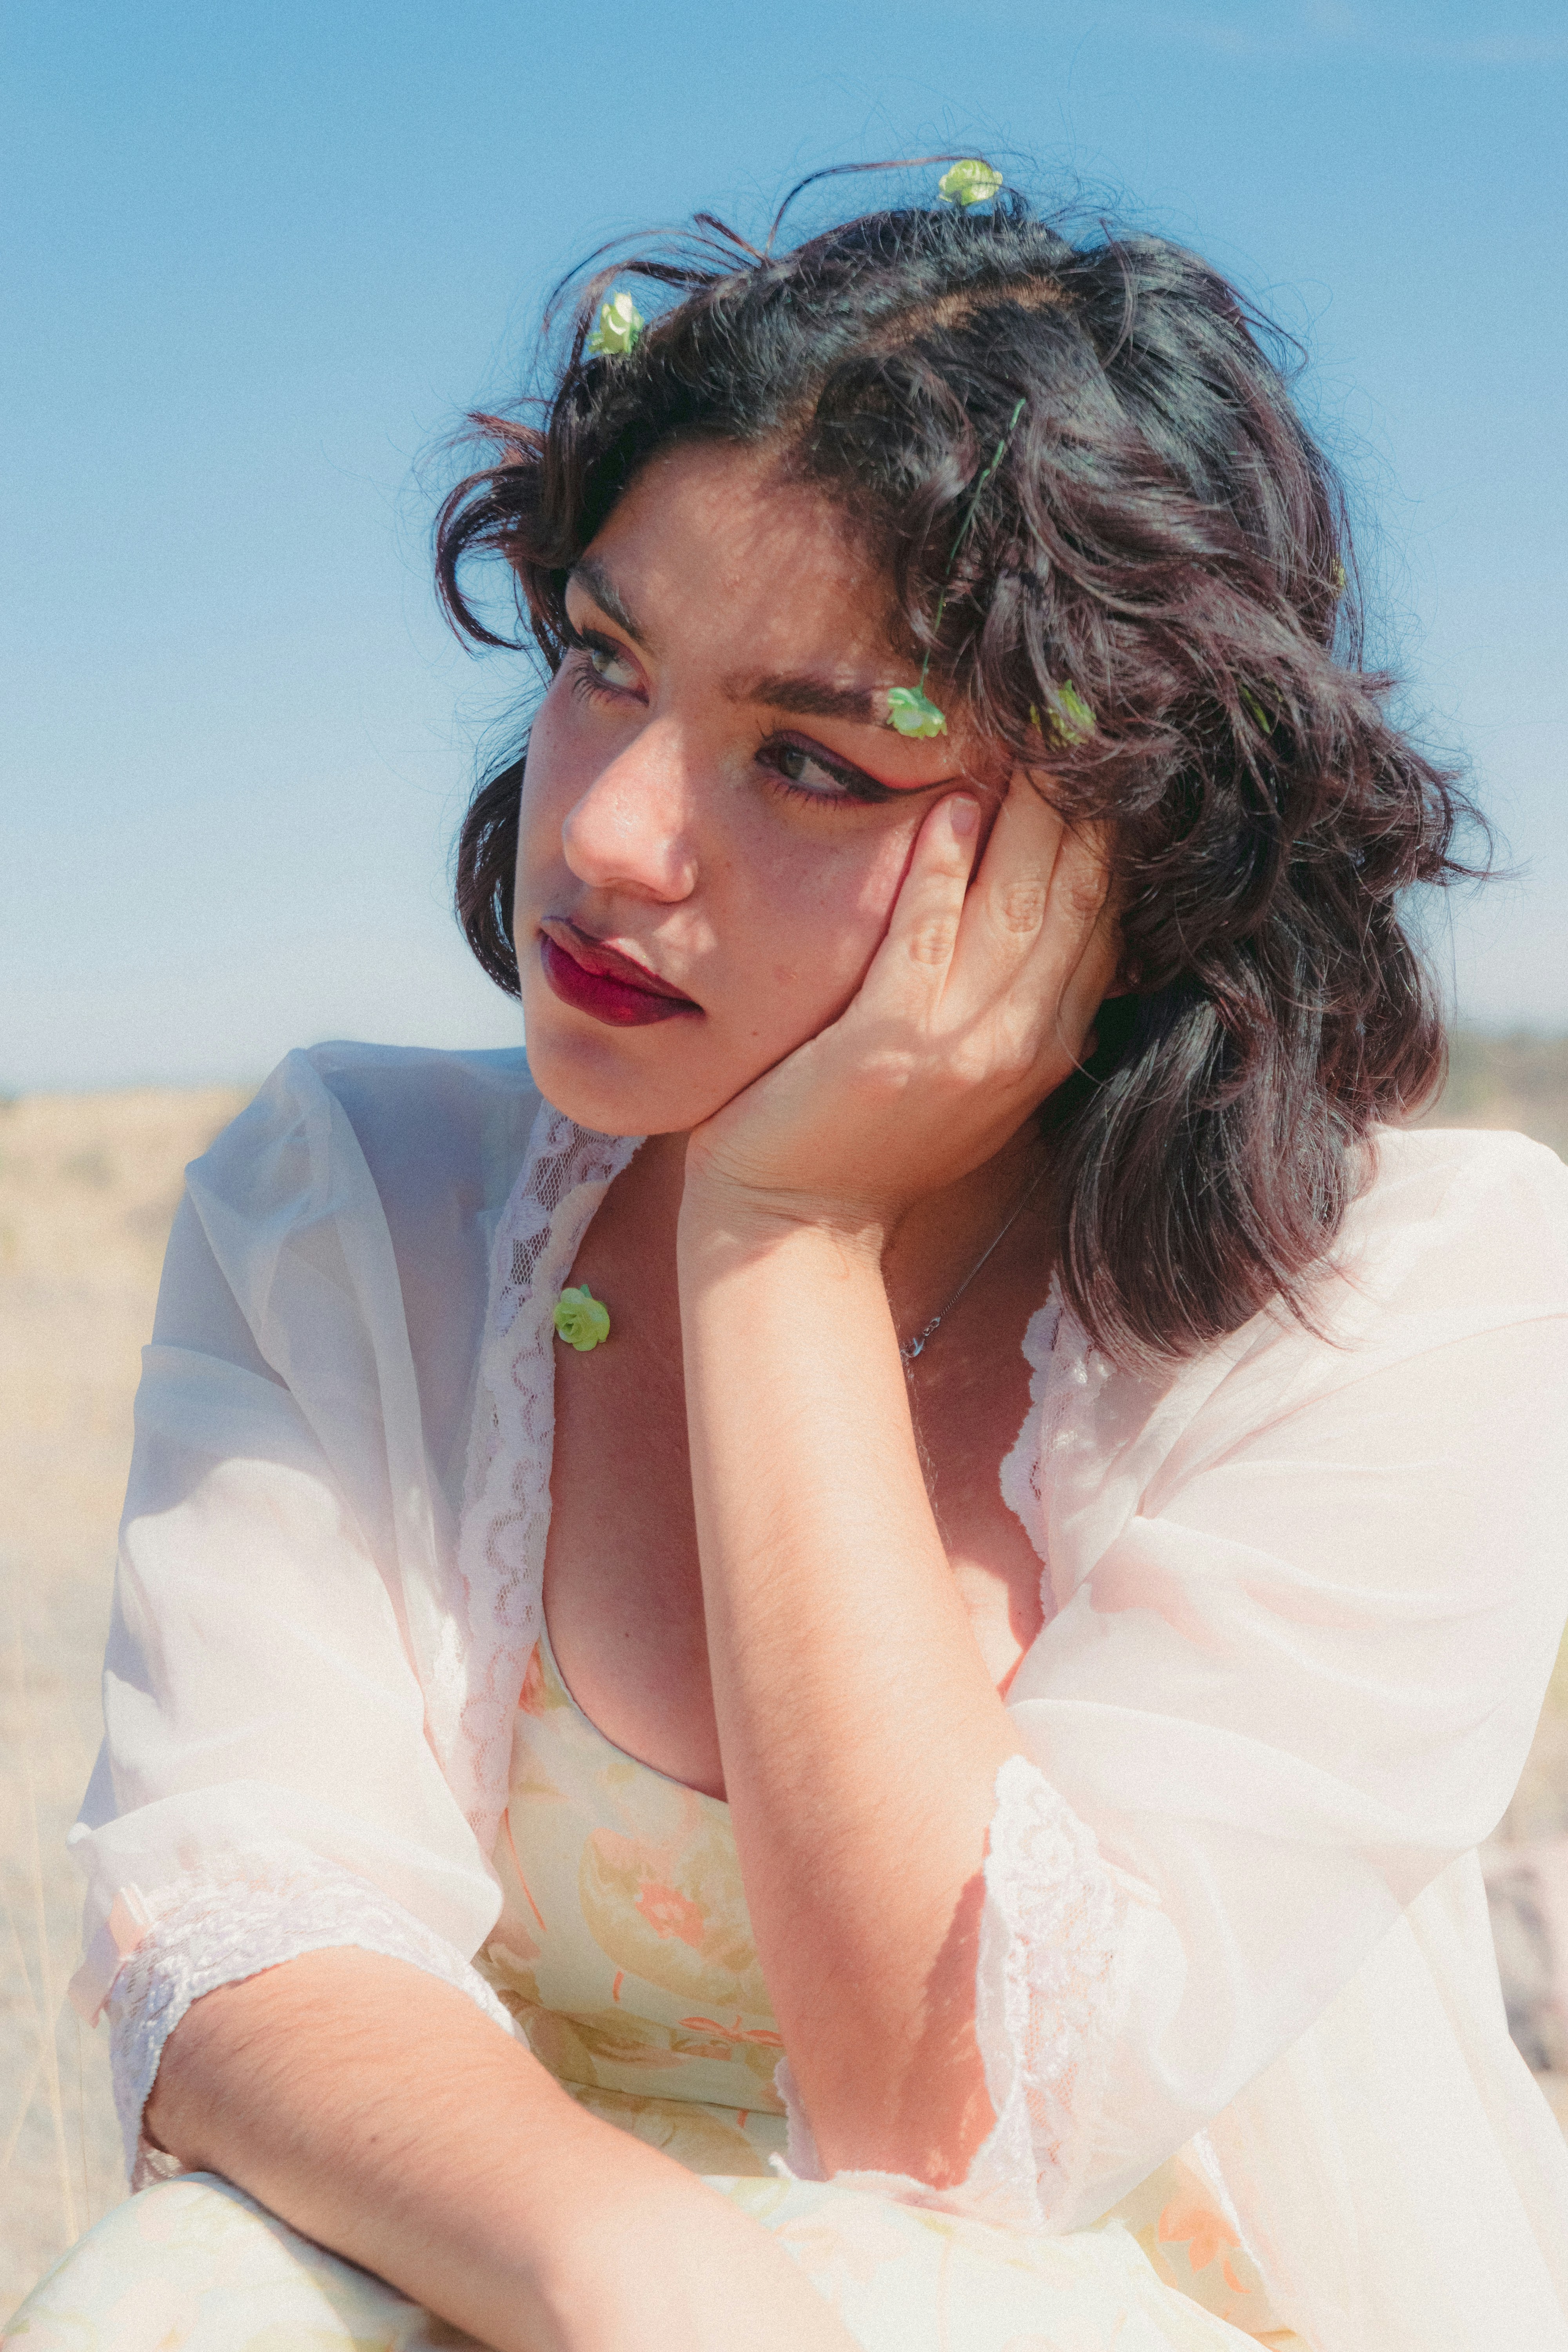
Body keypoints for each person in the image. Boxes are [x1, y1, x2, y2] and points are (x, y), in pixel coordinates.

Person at [10, 163, 1568, 2352]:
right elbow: (239, 1941)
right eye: (602, 661)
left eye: (811, 761)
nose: (616, 831)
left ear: (1108, 846)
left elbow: (942, 2120)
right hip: (526, 2276)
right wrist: (626, 2269)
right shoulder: (365, 1201)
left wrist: (786, 1229)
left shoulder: (1402, 1297)